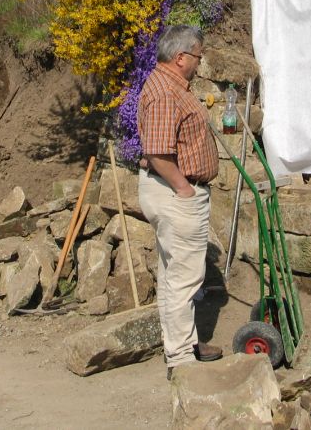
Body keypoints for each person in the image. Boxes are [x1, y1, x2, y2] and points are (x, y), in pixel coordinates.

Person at [137, 25, 223, 380]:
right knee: (184, 279)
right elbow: (157, 152)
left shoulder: (171, 86)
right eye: (198, 57)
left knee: (175, 274)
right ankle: (180, 360)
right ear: (181, 57)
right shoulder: (163, 92)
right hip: (174, 192)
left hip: (172, 190)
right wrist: (184, 188)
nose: (200, 64)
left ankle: (184, 344)